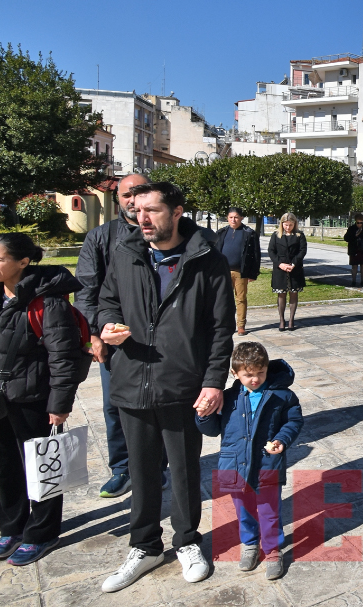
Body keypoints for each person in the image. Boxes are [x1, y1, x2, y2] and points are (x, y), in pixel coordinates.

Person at [97, 182, 235, 592]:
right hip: (131, 379)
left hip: (182, 384)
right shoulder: (125, 254)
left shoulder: (207, 260)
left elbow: (220, 328)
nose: (142, 218)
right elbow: (107, 300)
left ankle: (187, 541)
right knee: (140, 472)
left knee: (185, 472)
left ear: (177, 212)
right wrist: (106, 325)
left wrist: (213, 382)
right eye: (137, 210)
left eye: (152, 210)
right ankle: (144, 546)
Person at [0, 233, 85, 566]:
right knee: (3, 468)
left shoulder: (47, 301)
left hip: (31, 397)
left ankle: (42, 533)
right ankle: (12, 528)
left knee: (41, 467)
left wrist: (59, 404)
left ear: (23, 262)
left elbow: (63, 358)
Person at [76, 173, 168, 499]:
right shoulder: (101, 238)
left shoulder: (164, 236)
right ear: (118, 197)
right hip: (114, 343)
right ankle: (122, 469)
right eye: (128, 194)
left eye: (140, 194)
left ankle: (159, 466)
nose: (133, 201)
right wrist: (93, 338)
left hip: (160, 341)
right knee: (115, 407)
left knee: (162, 405)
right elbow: (86, 292)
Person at [196, 342, 302, 581]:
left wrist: (282, 440)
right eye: (248, 375)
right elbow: (212, 430)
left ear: (266, 368)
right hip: (235, 465)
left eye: (260, 373)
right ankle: (250, 544)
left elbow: (293, 422)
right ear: (235, 373)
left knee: (269, 510)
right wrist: (203, 415)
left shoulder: (282, 395)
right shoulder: (229, 397)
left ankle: (273, 551)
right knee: (243, 510)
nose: (255, 379)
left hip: (268, 464)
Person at [214, 208, 261, 336]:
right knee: (223, 300)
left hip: (240, 272)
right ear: (227, 218)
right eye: (230, 217)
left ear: (241, 218)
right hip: (223, 272)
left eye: (236, 217)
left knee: (240, 299)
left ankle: (241, 325)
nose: (233, 220)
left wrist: (253, 273)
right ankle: (225, 324)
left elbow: (256, 254)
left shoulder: (249, 233)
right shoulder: (221, 232)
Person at [268, 213, 308, 331]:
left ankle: (291, 320)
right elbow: (271, 251)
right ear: (282, 224)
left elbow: (302, 251)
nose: (288, 227)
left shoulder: (299, 235)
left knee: (293, 293)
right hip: (280, 269)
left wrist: (293, 264)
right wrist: (280, 264)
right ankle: (281, 320)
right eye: (286, 225)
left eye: (290, 225)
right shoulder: (276, 235)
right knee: (281, 294)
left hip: (295, 269)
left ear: (294, 224)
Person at [343, 212, 363, 286]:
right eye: (358, 222)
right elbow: (346, 238)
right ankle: (353, 281)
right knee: (354, 266)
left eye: (361, 222)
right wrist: (355, 236)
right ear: (355, 221)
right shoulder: (352, 228)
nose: (359, 224)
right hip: (354, 249)